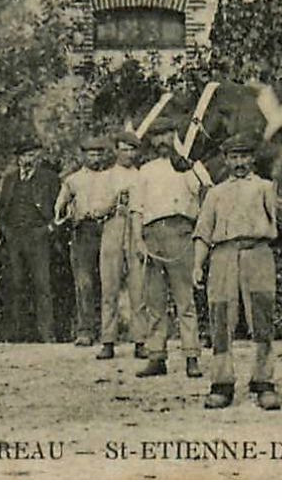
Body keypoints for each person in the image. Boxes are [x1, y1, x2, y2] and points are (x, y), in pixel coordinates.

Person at [192, 132, 281, 411]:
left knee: (262, 318)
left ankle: (264, 383)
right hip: (223, 256)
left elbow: (281, 225)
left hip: (258, 253)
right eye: (234, 157)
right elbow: (203, 232)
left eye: (244, 156)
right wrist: (197, 264)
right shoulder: (216, 193)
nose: (239, 162)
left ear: (252, 159)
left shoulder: (266, 188)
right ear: (226, 160)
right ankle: (221, 384)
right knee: (220, 318)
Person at [131, 115, 211, 379]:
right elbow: (136, 210)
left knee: (185, 300)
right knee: (154, 300)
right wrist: (139, 242)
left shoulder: (190, 166)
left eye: (166, 134)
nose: (161, 140)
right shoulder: (145, 170)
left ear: (175, 135)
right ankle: (157, 357)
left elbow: (207, 194)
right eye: (156, 136)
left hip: (181, 233)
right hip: (153, 234)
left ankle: (191, 356)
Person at [53, 138, 116, 347]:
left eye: (98, 154)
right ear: (83, 156)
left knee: (109, 281)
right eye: (91, 154)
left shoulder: (111, 177)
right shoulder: (73, 180)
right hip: (83, 232)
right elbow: (59, 208)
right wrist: (67, 210)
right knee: (84, 282)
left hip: (108, 229)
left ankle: (109, 331)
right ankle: (85, 330)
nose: (95, 158)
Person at [0, 137, 59, 342]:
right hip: (14, 237)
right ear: (18, 158)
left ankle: (47, 334)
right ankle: (15, 334)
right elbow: (2, 210)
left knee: (42, 284)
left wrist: (49, 229)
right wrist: (6, 232)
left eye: (32, 154)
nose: (28, 159)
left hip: (38, 236)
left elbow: (61, 209)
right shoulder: (10, 179)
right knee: (15, 283)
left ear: (39, 156)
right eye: (24, 155)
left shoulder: (49, 178)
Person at [96, 131, 145, 360]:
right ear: (116, 150)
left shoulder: (142, 176)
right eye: (123, 149)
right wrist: (114, 200)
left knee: (138, 287)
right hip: (112, 226)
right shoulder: (105, 177)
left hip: (136, 230)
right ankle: (108, 340)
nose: (128, 154)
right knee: (110, 286)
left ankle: (140, 340)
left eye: (132, 149)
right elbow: (95, 210)